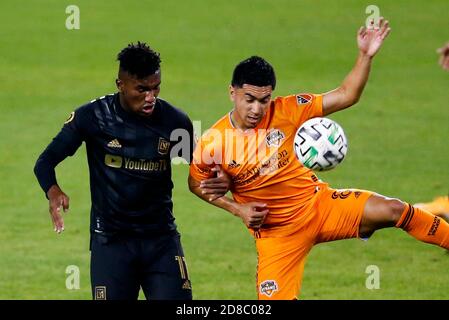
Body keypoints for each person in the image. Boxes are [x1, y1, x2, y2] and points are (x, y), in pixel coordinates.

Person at [189, 18, 449, 300]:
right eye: (249, 99)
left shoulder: (288, 110)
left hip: (320, 205)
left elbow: (347, 95)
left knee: (394, 210)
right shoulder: (213, 141)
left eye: (264, 100)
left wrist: (365, 55)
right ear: (232, 92)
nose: (256, 108)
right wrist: (237, 209)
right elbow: (195, 184)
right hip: (277, 235)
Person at [34, 42, 229, 300]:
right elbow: (45, 161)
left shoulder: (174, 122)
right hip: (111, 243)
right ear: (120, 85)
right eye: (142, 89)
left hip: (161, 241)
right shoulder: (92, 117)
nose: (151, 97)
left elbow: (202, 168)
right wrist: (53, 190)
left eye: (156, 87)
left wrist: (222, 178)